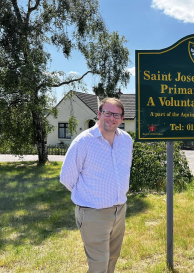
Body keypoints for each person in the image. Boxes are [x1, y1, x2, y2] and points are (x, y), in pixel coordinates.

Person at [60, 97, 133, 273]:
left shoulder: (126, 140)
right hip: (93, 213)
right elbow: (66, 178)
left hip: (119, 210)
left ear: (122, 119)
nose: (111, 118)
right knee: (98, 264)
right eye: (107, 113)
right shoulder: (83, 142)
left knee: (112, 259)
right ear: (99, 114)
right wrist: (89, 195)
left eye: (117, 115)